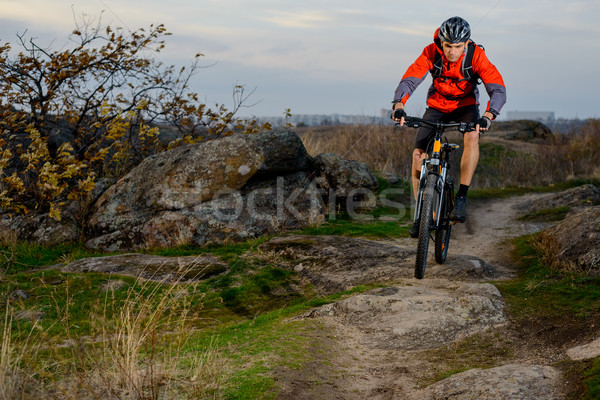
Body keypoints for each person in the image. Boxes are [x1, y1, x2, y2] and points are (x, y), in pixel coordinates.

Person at [391, 16, 506, 238]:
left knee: (472, 136)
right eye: (447, 46)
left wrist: (489, 115)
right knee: (418, 155)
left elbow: (498, 89)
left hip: (466, 106)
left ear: (466, 44)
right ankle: (422, 215)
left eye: (457, 47)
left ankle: (462, 196)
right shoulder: (430, 52)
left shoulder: (476, 56)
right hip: (437, 106)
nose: (452, 52)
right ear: (440, 43)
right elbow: (410, 79)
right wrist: (399, 104)